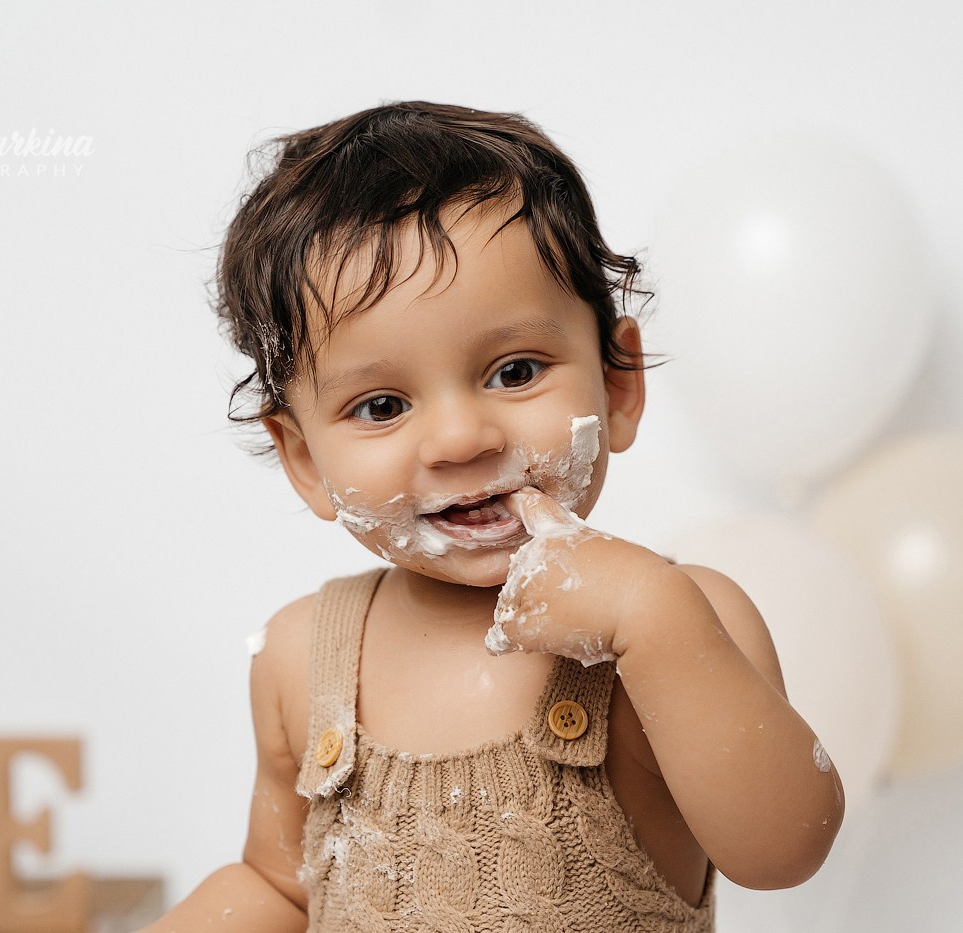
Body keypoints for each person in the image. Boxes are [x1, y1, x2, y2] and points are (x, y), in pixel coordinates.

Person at [143, 101, 844, 932]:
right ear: (304, 460)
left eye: (514, 371)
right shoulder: (302, 656)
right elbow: (280, 883)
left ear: (618, 385)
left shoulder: (684, 619)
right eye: (382, 404)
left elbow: (783, 848)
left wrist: (655, 620)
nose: (459, 436)